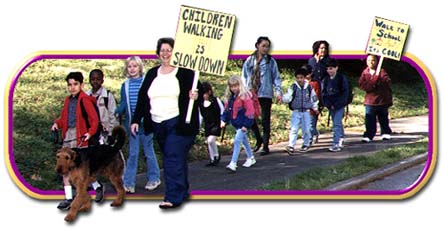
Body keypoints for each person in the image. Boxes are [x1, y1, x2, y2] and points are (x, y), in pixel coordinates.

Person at [131, 38, 201, 209]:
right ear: (158, 53)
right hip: (157, 124)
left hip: (179, 124)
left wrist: (195, 96)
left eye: (169, 50)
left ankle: (173, 197)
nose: (165, 53)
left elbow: (198, 93)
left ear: (176, 52)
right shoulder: (152, 73)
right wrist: (135, 120)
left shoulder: (186, 73)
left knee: (172, 158)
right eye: (162, 50)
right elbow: (142, 99)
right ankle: (182, 191)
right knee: (175, 159)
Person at [51, 72, 102, 209]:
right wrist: (57, 123)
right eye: (70, 85)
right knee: (65, 167)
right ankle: (68, 198)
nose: (72, 87)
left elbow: (94, 120)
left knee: (82, 169)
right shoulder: (68, 100)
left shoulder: (85, 100)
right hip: (69, 135)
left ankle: (97, 186)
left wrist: (89, 133)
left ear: (81, 85)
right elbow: (64, 118)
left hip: (81, 136)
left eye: (75, 84)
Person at [115, 56, 161, 193]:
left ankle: (154, 178)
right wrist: (117, 111)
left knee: (148, 152)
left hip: (146, 124)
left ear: (140, 67)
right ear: (126, 69)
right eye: (130, 66)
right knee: (133, 153)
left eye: (135, 66)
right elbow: (123, 103)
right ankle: (129, 182)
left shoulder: (147, 81)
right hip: (132, 125)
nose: (132, 69)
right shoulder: (125, 85)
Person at [241, 36, 282, 155]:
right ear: (257, 45)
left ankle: (265, 145)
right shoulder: (250, 60)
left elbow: (276, 77)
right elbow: (244, 76)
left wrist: (278, 91)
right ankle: (258, 138)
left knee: (265, 120)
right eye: (263, 46)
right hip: (252, 93)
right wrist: (244, 91)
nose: (265, 48)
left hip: (265, 93)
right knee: (250, 118)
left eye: (267, 46)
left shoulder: (270, 61)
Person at [221, 75, 256, 172]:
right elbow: (227, 111)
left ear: (239, 85)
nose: (233, 88)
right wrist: (223, 120)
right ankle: (251, 157)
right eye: (232, 86)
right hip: (236, 123)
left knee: (237, 141)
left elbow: (250, 111)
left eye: (235, 86)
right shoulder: (231, 98)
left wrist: (246, 124)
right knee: (244, 141)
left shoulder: (245, 97)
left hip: (243, 124)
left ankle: (233, 163)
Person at [282, 68, 318, 155]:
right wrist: (284, 99)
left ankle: (305, 144)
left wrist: (315, 108)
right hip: (296, 111)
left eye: (301, 77)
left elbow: (313, 98)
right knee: (294, 128)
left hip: (306, 111)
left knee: (306, 129)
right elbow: (289, 96)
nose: (299, 80)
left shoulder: (309, 87)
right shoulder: (293, 87)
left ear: (304, 78)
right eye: (297, 78)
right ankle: (291, 145)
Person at [358, 54, 393, 142]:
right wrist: (372, 82)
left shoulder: (381, 71)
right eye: (369, 60)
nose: (371, 62)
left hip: (382, 100)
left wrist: (381, 80)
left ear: (377, 62)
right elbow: (362, 84)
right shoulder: (365, 72)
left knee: (383, 118)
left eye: (373, 60)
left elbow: (387, 81)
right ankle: (369, 135)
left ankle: (385, 133)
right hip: (370, 101)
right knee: (369, 119)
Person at [322, 58, 349, 152]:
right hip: (330, 104)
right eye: (328, 69)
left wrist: (338, 104)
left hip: (339, 104)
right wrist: (328, 104)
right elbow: (324, 93)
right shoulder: (325, 80)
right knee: (336, 122)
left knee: (336, 124)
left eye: (331, 68)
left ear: (336, 68)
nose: (329, 71)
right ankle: (341, 137)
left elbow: (345, 93)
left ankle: (336, 143)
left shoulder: (341, 78)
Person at [86, 69, 118, 144]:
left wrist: (111, 133)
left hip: (105, 132)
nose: (95, 81)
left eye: (98, 79)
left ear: (102, 81)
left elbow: (113, 116)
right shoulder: (86, 96)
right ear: (89, 80)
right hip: (91, 132)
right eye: (93, 79)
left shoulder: (107, 96)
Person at [199, 81, 224, 166]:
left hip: (216, 123)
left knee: (211, 140)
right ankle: (213, 158)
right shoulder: (201, 104)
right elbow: (200, 116)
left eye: (205, 93)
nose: (204, 96)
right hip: (207, 124)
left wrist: (223, 120)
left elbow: (222, 110)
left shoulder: (215, 100)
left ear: (209, 92)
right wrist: (198, 126)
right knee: (209, 142)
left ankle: (216, 155)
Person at [302, 64, 322, 146]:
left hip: (312, 109)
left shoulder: (315, 83)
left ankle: (308, 141)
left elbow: (316, 96)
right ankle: (314, 134)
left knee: (310, 126)